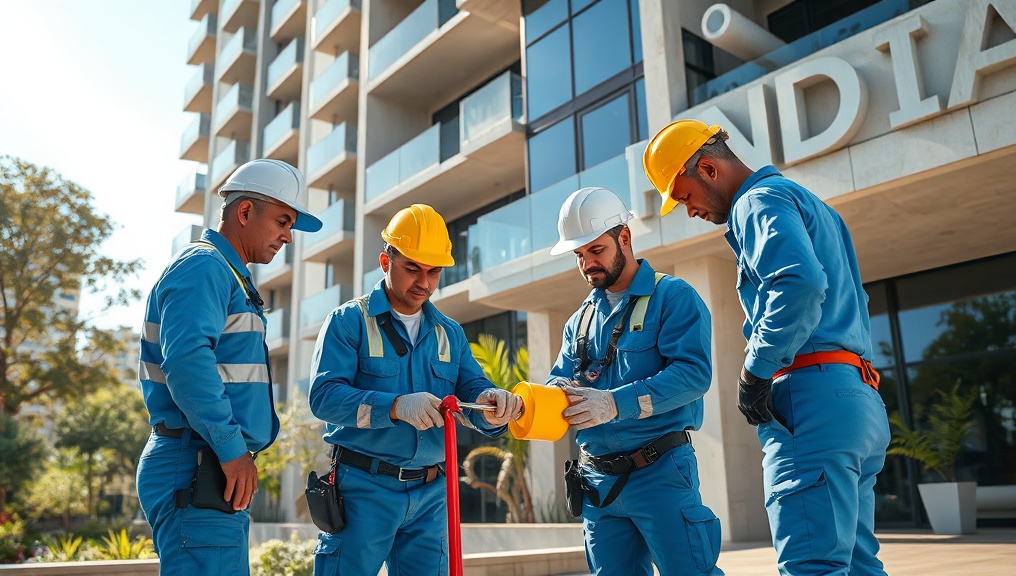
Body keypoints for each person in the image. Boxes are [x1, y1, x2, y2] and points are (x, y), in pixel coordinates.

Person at [644, 119, 890, 576]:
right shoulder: (808, 202)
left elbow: (798, 282)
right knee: (857, 565)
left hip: (810, 401)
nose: (688, 210)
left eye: (684, 196)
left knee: (811, 566)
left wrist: (755, 371)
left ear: (709, 170)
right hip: (857, 398)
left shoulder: (756, 202)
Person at [307, 203, 523, 576]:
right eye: (413, 268)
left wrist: (492, 405)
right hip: (363, 490)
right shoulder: (348, 322)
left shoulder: (450, 333)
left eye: (434, 271)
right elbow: (324, 397)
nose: (424, 281)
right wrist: (395, 406)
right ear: (385, 262)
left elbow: (472, 390)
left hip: (431, 495)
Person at [137, 159, 323, 575]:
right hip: (198, 460)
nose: (287, 237)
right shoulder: (205, 267)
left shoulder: (225, 274)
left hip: (207, 463)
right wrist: (231, 448)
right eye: (282, 221)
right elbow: (187, 362)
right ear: (244, 212)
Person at [546, 187, 723, 576]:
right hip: (597, 485)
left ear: (623, 238)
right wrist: (536, 400)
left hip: (659, 472)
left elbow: (693, 374)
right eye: (579, 256)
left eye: (595, 251)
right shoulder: (579, 320)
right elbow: (559, 381)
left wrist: (613, 403)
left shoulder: (671, 297)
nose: (587, 264)